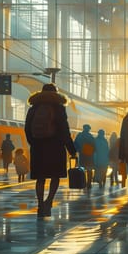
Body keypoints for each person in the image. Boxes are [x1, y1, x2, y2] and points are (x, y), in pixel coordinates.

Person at [25, 83, 76, 218]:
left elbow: (27, 128)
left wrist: (33, 143)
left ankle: (40, 203)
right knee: (55, 176)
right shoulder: (58, 108)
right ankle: (49, 201)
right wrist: (72, 150)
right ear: (55, 94)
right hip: (56, 147)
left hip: (38, 147)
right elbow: (65, 130)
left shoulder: (33, 108)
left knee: (40, 178)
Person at [74, 124, 96, 190]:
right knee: (89, 170)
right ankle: (89, 183)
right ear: (89, 129)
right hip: (89, 156)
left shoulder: (79, 136)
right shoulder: (91, 136)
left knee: (82, 170)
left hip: (82, 155)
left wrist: (76, 151)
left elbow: (75, 144)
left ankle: (83, 183)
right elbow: (94, 146)